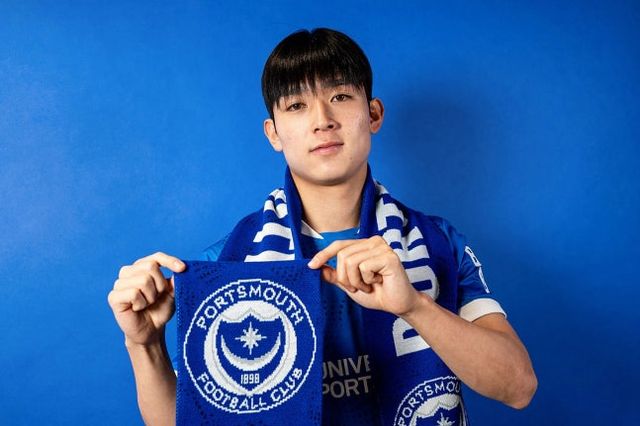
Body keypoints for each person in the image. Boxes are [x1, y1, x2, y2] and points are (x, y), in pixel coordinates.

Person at [108, 28, 537, 425]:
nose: (322, 120)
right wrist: (143, 345)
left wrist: (415, 307)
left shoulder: (439, 243)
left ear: (373, 114)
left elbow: (518, 387)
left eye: (341, 96)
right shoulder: (226, 263)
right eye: (297, 105)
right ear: (273, 133)